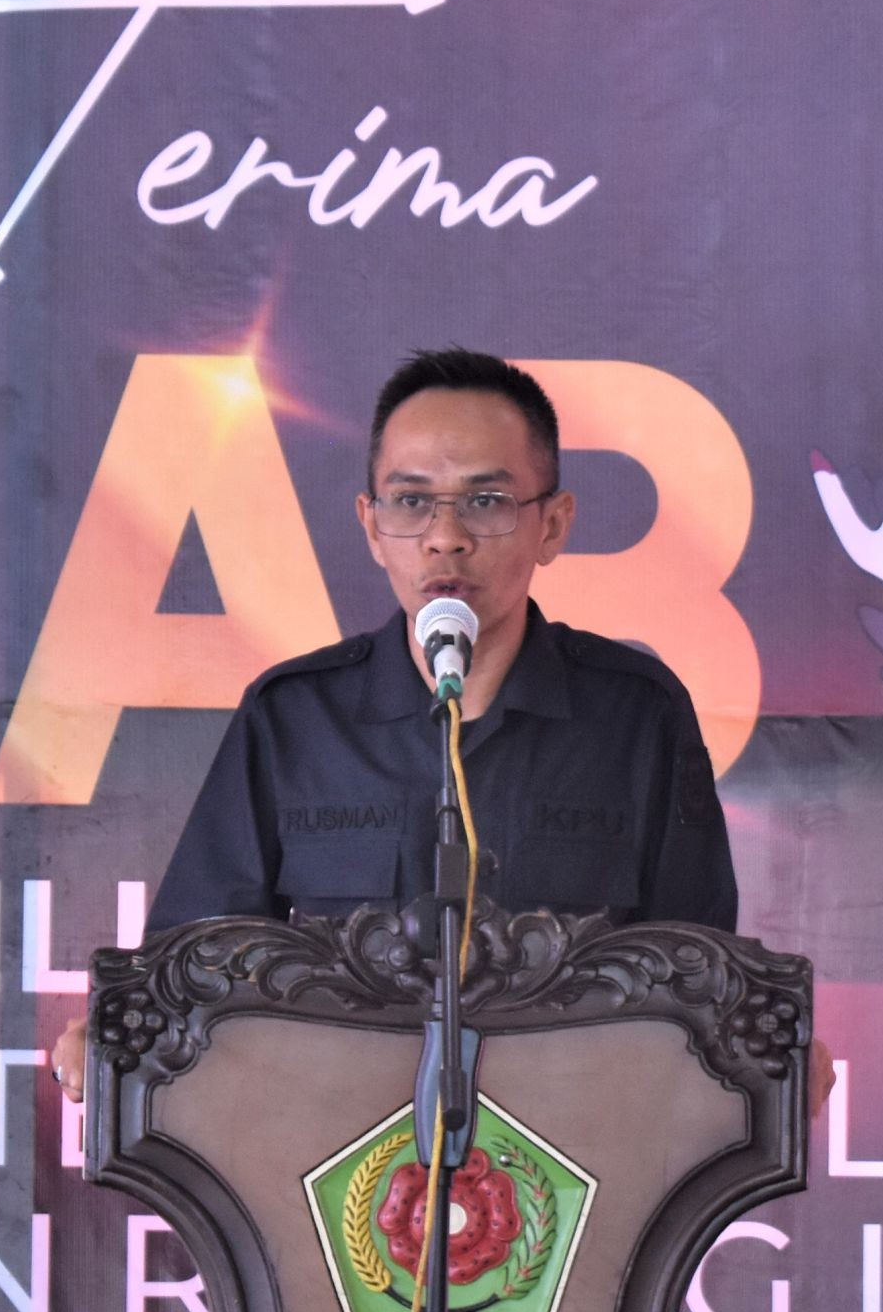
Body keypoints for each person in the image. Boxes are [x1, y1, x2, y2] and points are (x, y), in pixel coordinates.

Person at [53, 349, 737, 1076]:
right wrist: (117, 1036)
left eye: (486, 501)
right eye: (411, 502)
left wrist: (763, 1057)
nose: (446, 536)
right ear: (372, 526)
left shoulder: (636, 717)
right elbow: (195, 962)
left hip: (572, 1125)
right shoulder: (295, 719)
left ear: (553, 525)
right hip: (329, 1124)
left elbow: (696, 976)